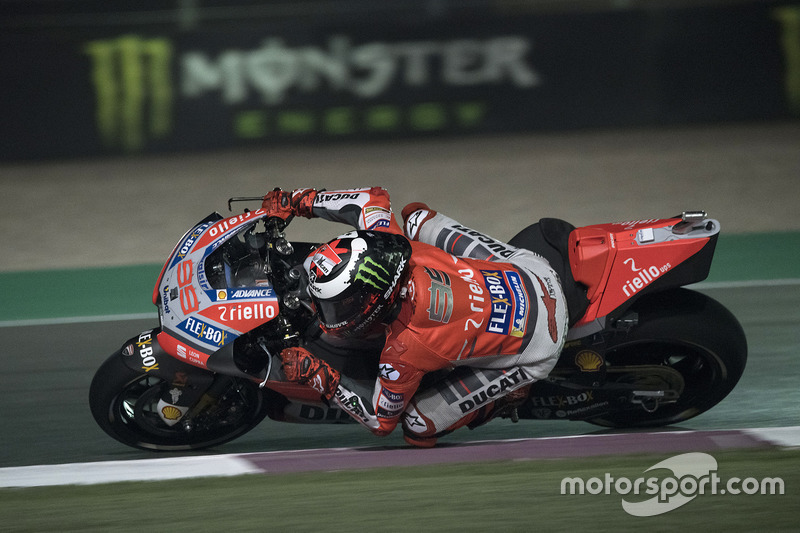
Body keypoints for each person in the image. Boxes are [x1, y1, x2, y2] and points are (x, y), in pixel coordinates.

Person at [262, 186, 568, 447]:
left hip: (541, 345)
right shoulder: (393, 242)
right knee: (417, 217)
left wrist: (318, 374)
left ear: (373, 301)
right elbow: (372, 198)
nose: (327, 314)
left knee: (417, 426)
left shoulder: (404, 351)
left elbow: (381, 421)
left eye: (338, 306)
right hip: (536, 273)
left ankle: (507, 395)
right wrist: (301, 200)